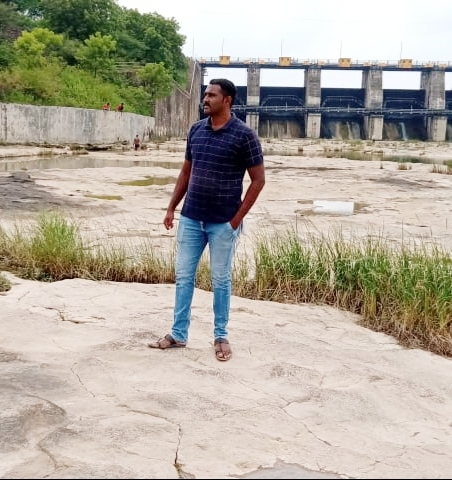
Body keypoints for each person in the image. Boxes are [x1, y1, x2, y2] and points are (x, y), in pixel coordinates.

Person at [149, 78, 265, 361]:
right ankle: (178, 334)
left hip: (222, 223)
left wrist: (235, 221)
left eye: (212, 95)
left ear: (227, 100)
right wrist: (171, 207)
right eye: (205, 94)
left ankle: (220, 335)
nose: (205, 99)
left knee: (220, 280)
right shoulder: (196, 130)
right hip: (191, 218)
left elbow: (258, 180)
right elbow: (186, 172)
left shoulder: (244, 135)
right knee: (183, 277)